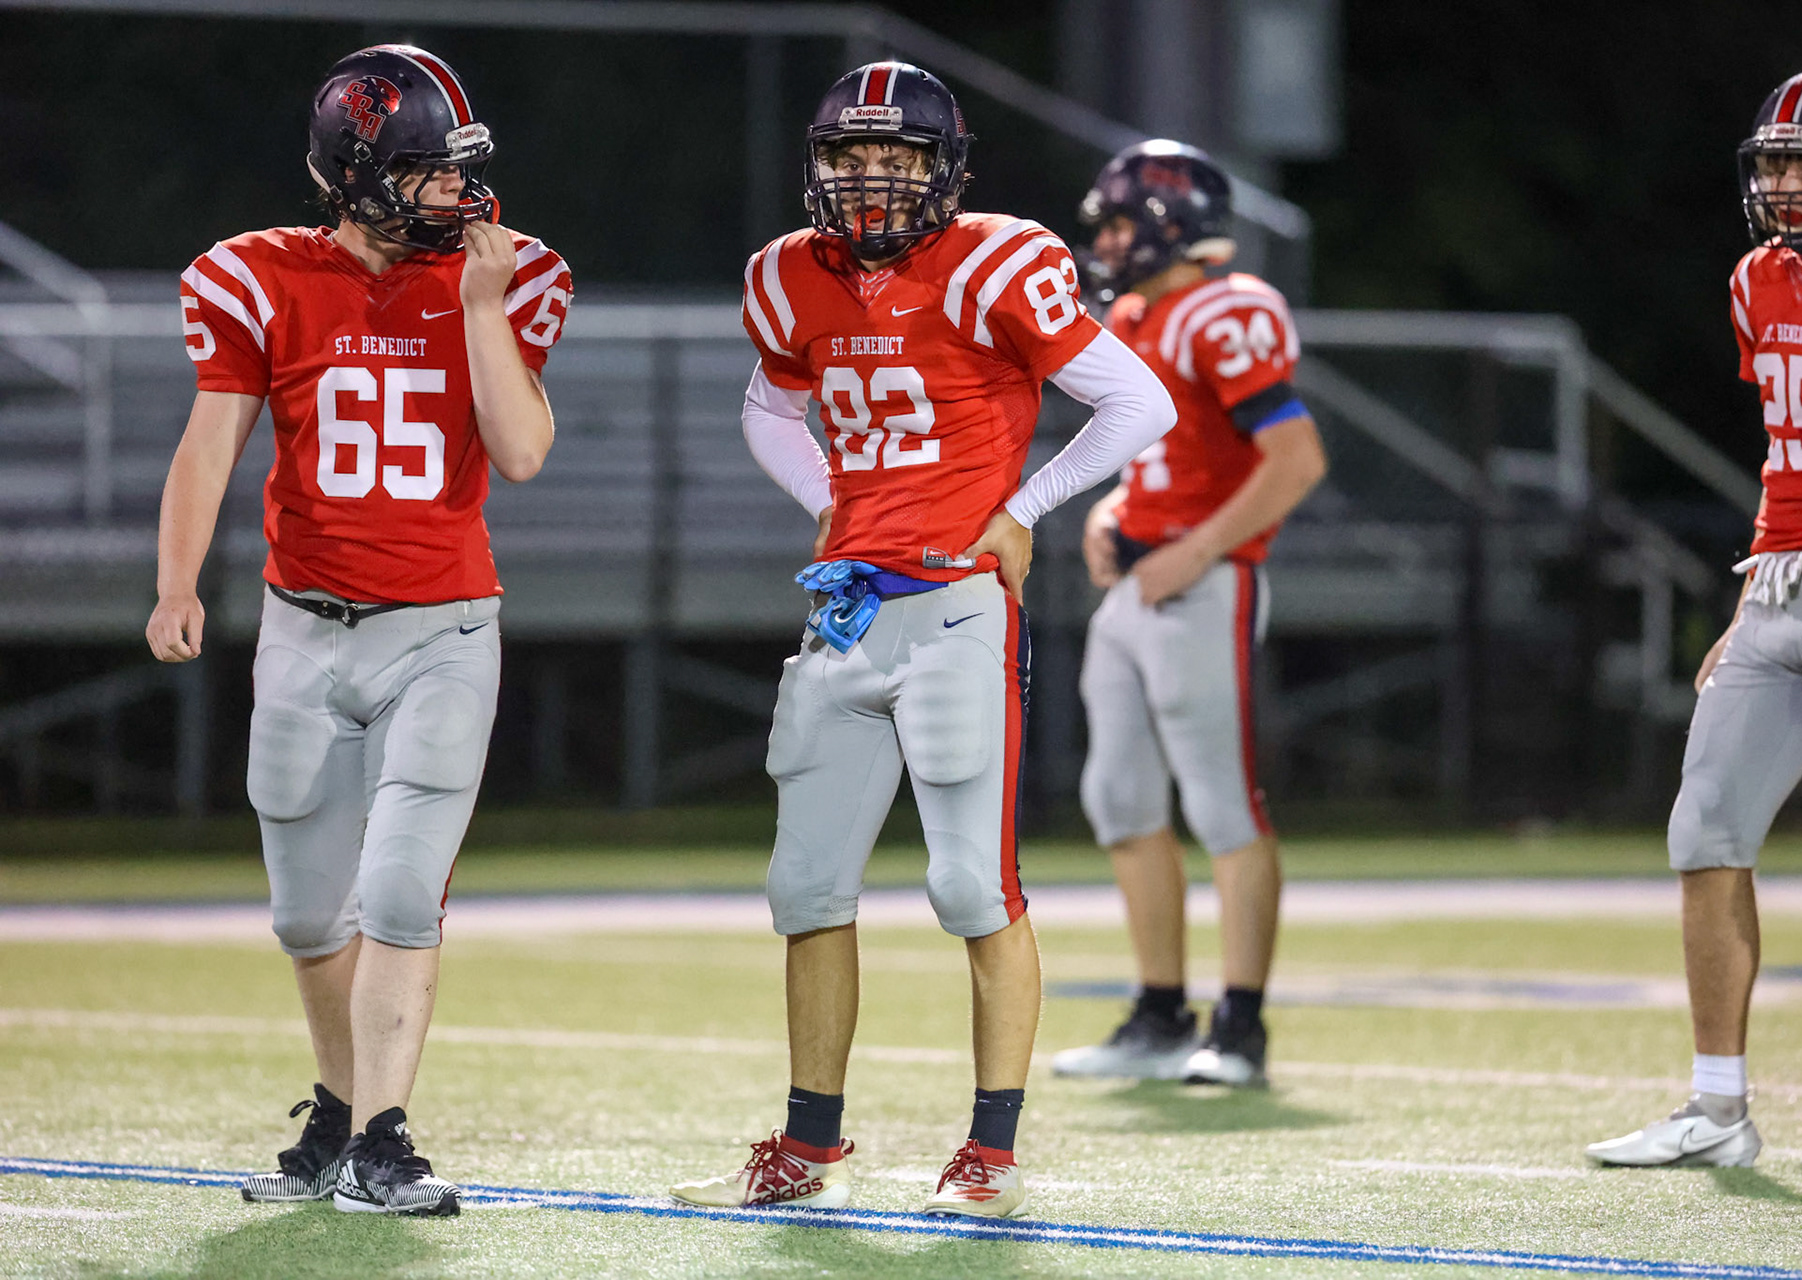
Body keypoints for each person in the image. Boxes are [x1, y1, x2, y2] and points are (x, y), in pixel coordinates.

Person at [667, 61, 1173, 1219]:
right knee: (807, 885)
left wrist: (1024, 510)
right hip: (847, 610)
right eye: (847, 157)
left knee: (970, 884)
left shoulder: (997, 262)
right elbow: (764, 404)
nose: (868, 180)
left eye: (893, 157)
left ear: (943, 168)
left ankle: (989, 1152)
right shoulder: (790, 277)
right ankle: (808, 1144)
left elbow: (1138, 400)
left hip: (956, 605)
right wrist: (831, 508)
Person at [145, 44, 571, 1215]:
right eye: (429, 174)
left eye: (459, 170)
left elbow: (524, 451)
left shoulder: (512, 277)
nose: (457, 195)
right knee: (302, 908)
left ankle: (384, 1135)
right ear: (355, 174)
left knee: (397, 891)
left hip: (442, 625)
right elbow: (211, 443)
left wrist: (479, 305)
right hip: (303, 623)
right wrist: (177, 581)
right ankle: (337, 1113)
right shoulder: (259, 277)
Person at [1588, 68, 1802, 1175]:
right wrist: (1747, 599)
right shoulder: (1757, 279)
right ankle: (1718, 1104)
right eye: (1776, 165)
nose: (1787, 187)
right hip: (1783, 583)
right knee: (1706, 829)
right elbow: (1785, 456)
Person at [1050, 141, 1326, 1088]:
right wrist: (1111, 508)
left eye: (1125, 222)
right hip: (1138, 585)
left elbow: (1294, 461)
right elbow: (1158, 457)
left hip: (1206, 584)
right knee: (1120, 802)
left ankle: (1239, 1027)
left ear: (1173, 222)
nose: (1112, 241)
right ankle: (1159, 1013)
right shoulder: (1132, 314)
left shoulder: (1223, 309)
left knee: (1222, 804)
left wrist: (1196, 549)